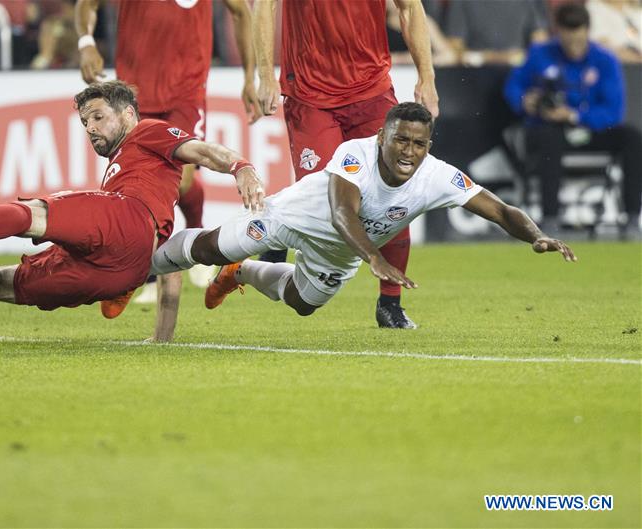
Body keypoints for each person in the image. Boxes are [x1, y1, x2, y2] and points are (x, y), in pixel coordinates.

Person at [0, 81, 265, 342]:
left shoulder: (147, 131)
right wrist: (162, 339)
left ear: (127, 114)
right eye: (85, 121)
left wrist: (241, 168)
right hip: (126, 269)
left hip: (125, 221)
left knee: (37, 213)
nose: (90, 128)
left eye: (98, 117)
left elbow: (204, 150)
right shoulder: (129, 171)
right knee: (10, 284)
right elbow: (170, 266)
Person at [148, 103, 577, 336]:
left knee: (301, 304)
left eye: (419, 144)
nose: (409, 152)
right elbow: (341, 212)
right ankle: (140, 266)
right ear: (381, 137)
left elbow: (499, 209)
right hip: (289, 219)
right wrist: (374, 257)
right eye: (401, 140)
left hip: (341, 252)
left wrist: (536, 236)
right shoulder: (356, 154)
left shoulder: (437, 176)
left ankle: (241, 273)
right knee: (207, 248)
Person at [252, 0, 438, 329]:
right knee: (322, 199)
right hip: (310, 96)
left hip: (371, 91)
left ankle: (390, 302)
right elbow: (264, 6)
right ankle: (278, 237)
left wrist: (427, 76)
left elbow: (410, 7)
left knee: (396, 192)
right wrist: (265, 74)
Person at [76, 0, 259, 302]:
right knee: (133, 187)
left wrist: (250, 78)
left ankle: (186, 237)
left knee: (181, 180)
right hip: (130, 97)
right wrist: (86, 43)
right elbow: (87, 4)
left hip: (185, 92)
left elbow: (241, 11)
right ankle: (141, 273)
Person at [504, 2, 641, 238]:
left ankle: (631, 217)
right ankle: (550, 219)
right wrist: (526, 100)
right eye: (568, 41)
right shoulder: (540, 54)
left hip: (589, 128)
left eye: (578, 41)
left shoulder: (605, 60)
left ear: (588, 31)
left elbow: (613, 111)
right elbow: (513, 87)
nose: (574, 48)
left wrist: (574, 115)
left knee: (632, 138)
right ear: (559, 32)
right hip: (549, 129)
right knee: (548, 138)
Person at [444, 0, 549, 66]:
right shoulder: (461, 2)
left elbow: (540, 41)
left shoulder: (532, 2)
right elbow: (455, 44)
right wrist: (492, 58)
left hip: (517, 70)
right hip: (476, 73)